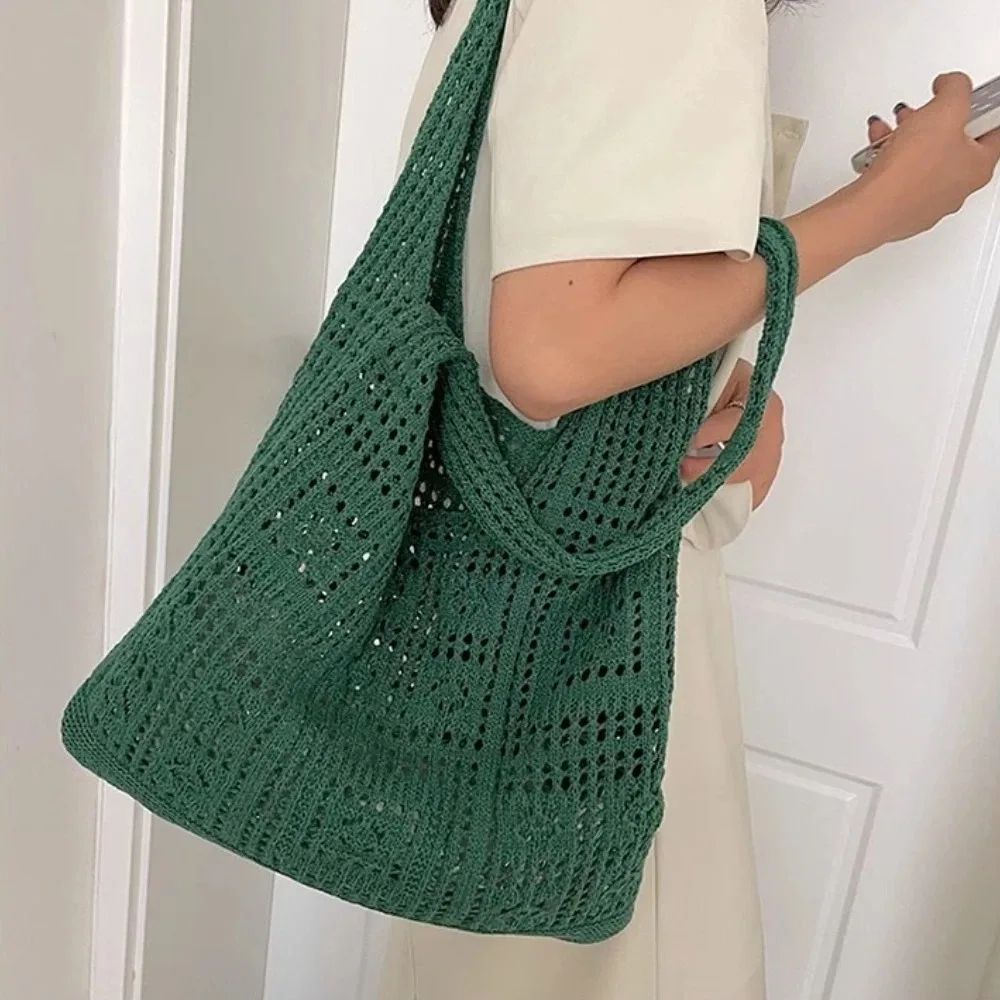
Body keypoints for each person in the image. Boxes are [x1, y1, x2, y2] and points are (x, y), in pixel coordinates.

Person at [375, 1, 1000, 998]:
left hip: (480, 619)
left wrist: (703, 410)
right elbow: (551, 351)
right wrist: (882, 209)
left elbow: (513, 318)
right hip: (592, 639)